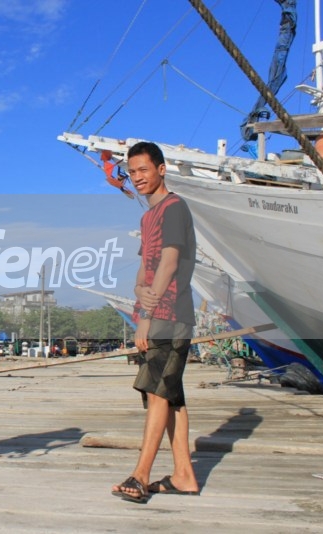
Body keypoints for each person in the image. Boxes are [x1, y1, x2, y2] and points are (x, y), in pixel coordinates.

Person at [111, 142, 200, 503]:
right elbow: (145, 266)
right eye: (132, 172)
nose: (137, 177)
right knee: (169, 395)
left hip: (170, 313)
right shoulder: (148, 217)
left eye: (143, 170)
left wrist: (147, 317)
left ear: (161, 169)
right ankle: (184, 476)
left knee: (157, 391)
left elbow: (169, 262)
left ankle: (141, 474)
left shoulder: (174, 208)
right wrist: (137, 290)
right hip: (154, 311)